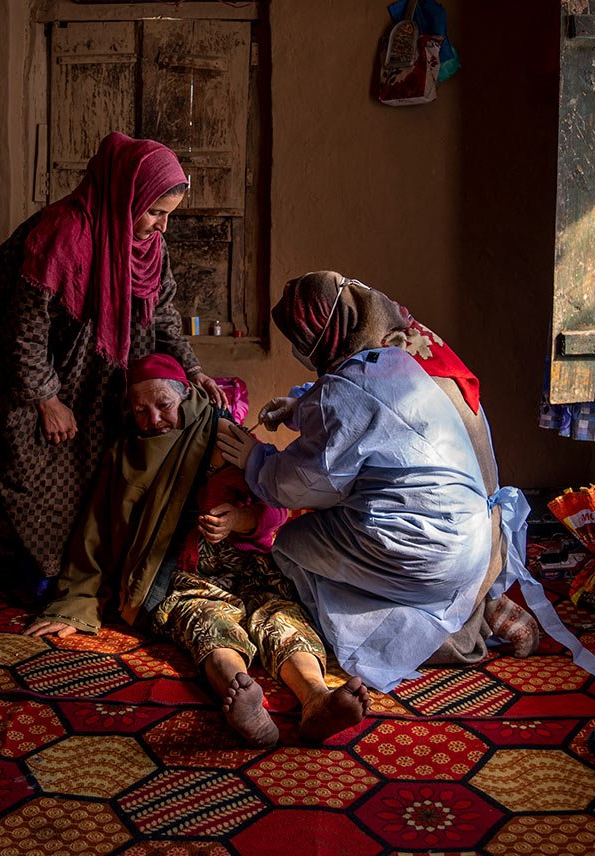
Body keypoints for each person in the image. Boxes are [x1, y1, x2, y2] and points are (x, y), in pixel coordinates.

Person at [216, 273, 535, 693]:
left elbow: (302, 483)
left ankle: (413, 639)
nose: (302, 353)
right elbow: (366, 406)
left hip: (431, 551)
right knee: (362, 511)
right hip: (480, 538)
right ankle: (476, 601)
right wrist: (299, 407)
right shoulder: (405, 354)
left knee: (292, 544)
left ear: (323, 337)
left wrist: (253, 458)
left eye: (302, 342)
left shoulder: (349, 389)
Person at [26, 355, 368, 745]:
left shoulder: (224, 435)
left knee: (282, 616)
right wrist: (78, 599)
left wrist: (239, 520)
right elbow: (97, 531)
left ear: (185, 396)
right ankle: (242, 698)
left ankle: (315, 697)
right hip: (181, 576)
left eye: (163, 406)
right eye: (141, 410)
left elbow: (275, 506)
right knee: (205, 621)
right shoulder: (125, 454)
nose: (153, 419)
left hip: (250, 568)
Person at [0, 132, 227, 588]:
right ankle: (42, 575)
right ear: (128, 195)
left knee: (106, 462)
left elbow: (161, 311)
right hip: (40, 373)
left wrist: (193, 367)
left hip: (97, 373)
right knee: (35, 464)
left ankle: (84, 573)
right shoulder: (63, 233)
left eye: (168, 215)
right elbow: (22, 330)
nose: (163, 226)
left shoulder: (147, 244)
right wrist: (46, 399)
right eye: (156, 213)